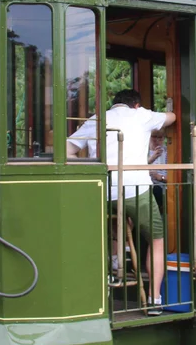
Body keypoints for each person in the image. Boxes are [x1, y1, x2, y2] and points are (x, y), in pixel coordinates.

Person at [67, 89, 175, 313]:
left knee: (105, 230)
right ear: (135, 105)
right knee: (156, 239)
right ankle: (154, 300)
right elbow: (172, 118)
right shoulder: (142, 115)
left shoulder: (97, 119)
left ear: (114, 104)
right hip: (136, 190)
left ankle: (109, 272)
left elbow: (68, 151)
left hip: (103, 192)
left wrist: (95, 169)